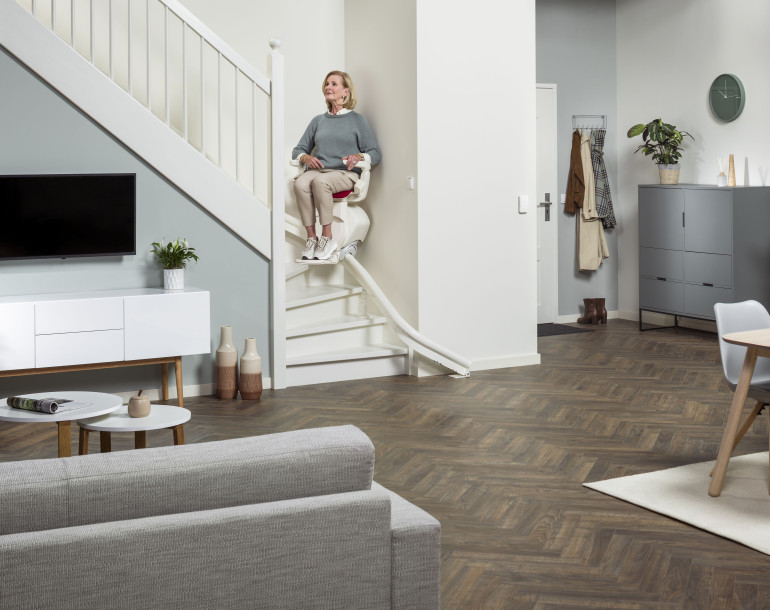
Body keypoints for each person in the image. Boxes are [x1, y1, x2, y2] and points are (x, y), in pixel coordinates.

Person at [292, 70, 381, 260]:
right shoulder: (318, 121)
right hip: (319, 171)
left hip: (345, 174)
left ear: (345, 92)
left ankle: (327, 237)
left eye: (334, 84)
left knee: (320, 182)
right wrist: (306, 158)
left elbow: (375, 153)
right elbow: (298, 149)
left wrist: (358, 156)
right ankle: (311, 238)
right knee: (299, 183)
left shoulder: (357, 120)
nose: (328, 87)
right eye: (327, 84)